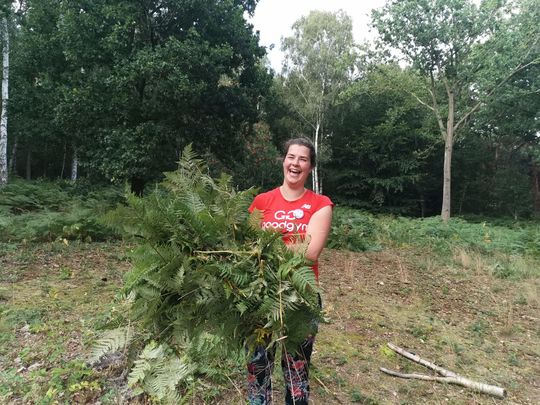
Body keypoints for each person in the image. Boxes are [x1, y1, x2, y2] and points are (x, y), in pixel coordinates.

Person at [247, 137, 333, 405]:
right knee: (257, 371)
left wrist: (269, 244)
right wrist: (290, 240)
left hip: (301, 301)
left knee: (296, 374)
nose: (295, 163)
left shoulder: (320, 204)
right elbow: (246, 249)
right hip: (262, 298)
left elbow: (310, 252)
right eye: (291, 157)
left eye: (303, 159)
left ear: (310, 167)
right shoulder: (262, 201)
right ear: (284, 160)